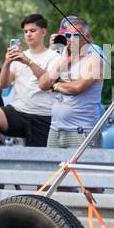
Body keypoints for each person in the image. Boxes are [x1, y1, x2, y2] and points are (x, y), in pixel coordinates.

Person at [0, 14, 57, 146]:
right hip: (18, 112)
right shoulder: (19, 56)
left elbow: (47, 82)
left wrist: (28, 62)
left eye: (33, 31)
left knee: (39, 161)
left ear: (43, 31)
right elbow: (3, 85)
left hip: (43, 115)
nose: (28, 35)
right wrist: (7, 63)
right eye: (25, 32)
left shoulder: (53, 57)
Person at [41, 16, 104, 149]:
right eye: (67, 35)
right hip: (55, 129)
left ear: (88, 37)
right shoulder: (62, 58)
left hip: (81, 131)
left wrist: (56, 85)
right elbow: (43, 84)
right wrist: (61, 64)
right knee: (52, 169)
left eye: (76, 35)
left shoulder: (93, 59)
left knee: (81, 170)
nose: (71, 39)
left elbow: (78, 87)